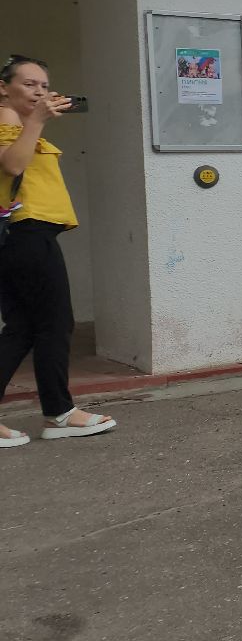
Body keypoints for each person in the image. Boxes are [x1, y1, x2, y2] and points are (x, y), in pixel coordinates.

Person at [0, 54, 116, 447]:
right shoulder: (7, 117)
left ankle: (58, 412)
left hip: (23, 235)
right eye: (29, 83)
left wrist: (34, 122)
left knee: (22, 328)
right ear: (4, 88)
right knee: (54, 324)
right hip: (27, 232)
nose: (39, 92)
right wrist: (36, 121)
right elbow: (12, 166)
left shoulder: (17, 121)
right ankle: (60, 413)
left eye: (44, 86)